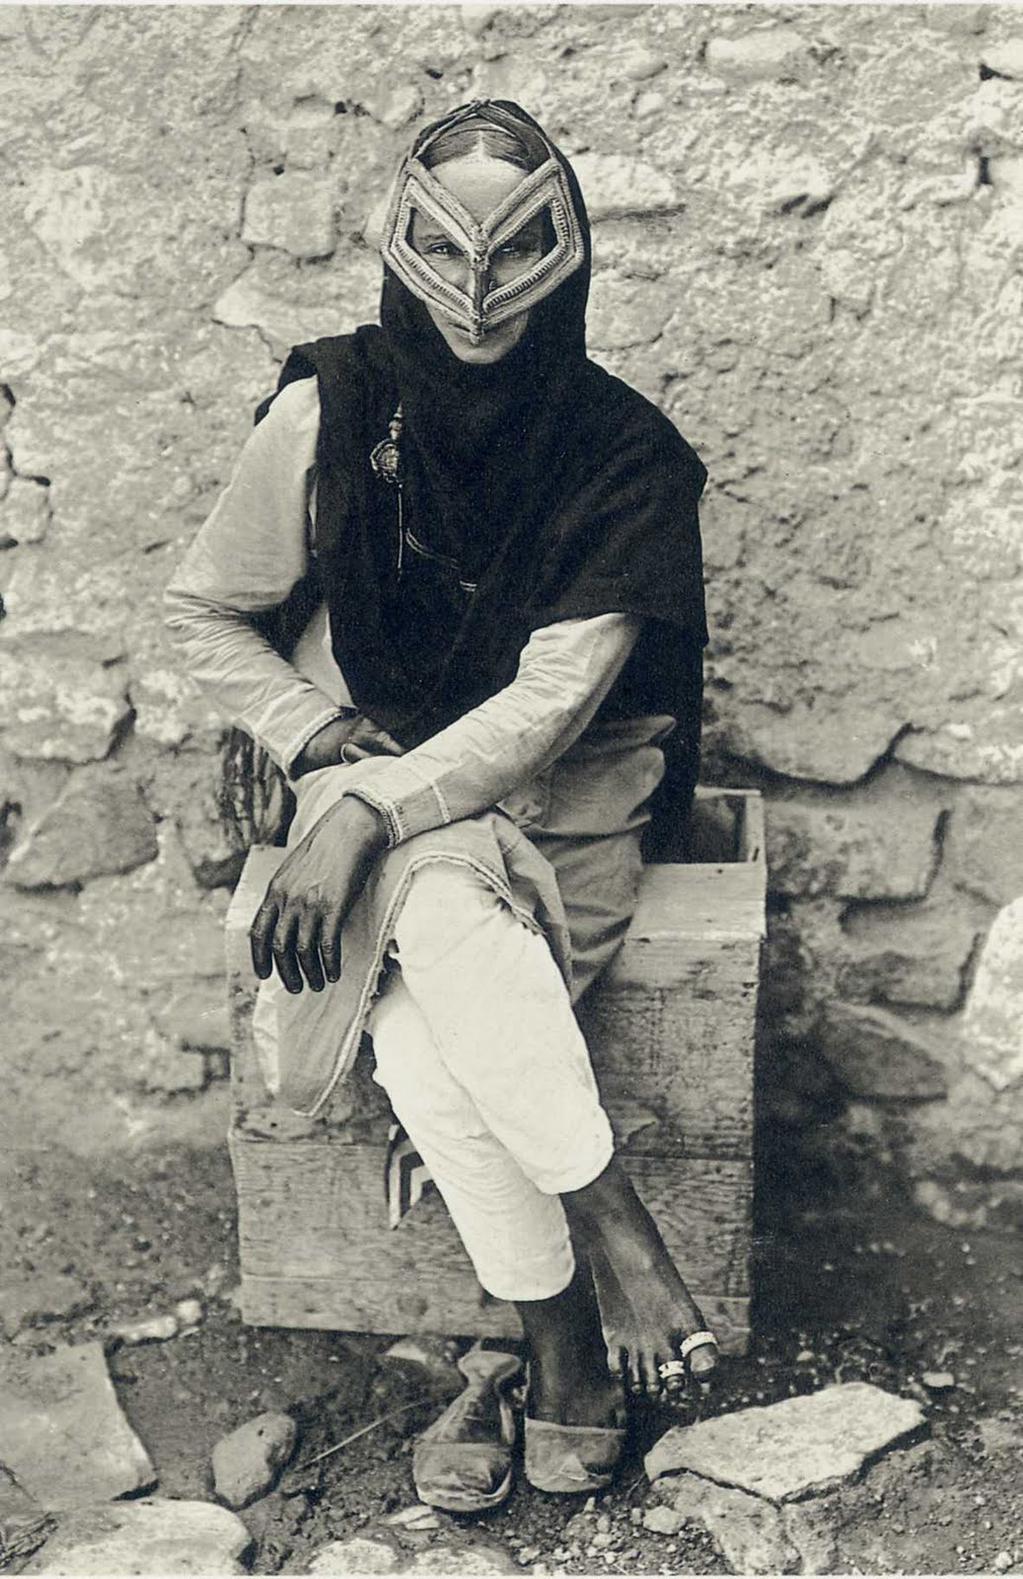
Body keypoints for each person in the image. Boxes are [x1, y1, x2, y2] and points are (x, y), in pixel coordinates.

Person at [165, 99, 718, 1504]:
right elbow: (207, 617)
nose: (475, 294)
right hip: (368, 754)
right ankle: (607, 1248)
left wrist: (355, 816)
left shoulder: (625, 459)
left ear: (566, 256)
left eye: (512, 253)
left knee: (417, 1016)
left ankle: (554, 1344)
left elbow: (545, 714)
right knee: (431, 993)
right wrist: (312, 742)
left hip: (558, 803)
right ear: (400, 249)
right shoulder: (331, 410)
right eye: (447, 252)